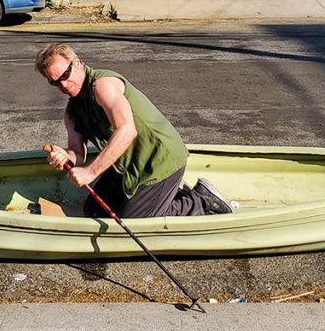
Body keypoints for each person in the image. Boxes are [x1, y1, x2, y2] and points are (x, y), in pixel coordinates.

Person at [36, 42, 233, 218]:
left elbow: (127, 130)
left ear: (77, 63)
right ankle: (163, 196)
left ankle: (200, 200)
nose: (63, 84)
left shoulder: (103, 86)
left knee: (134, 220)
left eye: (65, 75)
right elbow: (78, 153)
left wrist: (91, 172)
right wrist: (66, 158)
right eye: (55, 82)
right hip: (127, 166)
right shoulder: (72, 112)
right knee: (94, 211)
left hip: (159, 161)